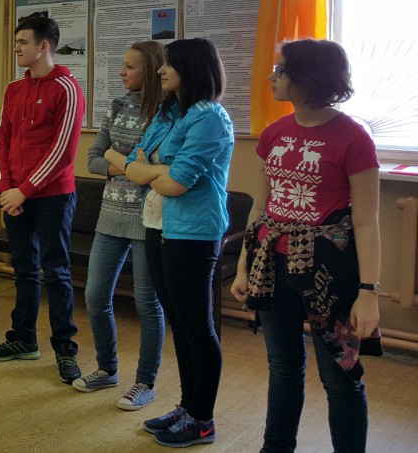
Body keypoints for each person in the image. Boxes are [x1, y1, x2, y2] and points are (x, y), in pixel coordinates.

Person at [231, 39, 382, 453]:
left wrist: (369, 293)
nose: (272, 76)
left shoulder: (353, 137)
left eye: (279, 70)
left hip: (330, 272)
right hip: (272, 266)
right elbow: (260, 207)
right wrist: (244, 266)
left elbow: (367, 222)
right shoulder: (274, 132)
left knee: (341, 377)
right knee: (282, 368)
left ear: (307, 77)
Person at [111, 38, 233, 448]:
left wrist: (144, 168)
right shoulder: (168, 111)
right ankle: (187, 407)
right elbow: (138, 166)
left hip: (193, 233)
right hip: (157, 224)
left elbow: (176, 183)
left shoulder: (210, 117)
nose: (161, 71)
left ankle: (203, 420)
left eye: (170, 65)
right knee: (179, 324)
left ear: (192, 69)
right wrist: (151, 168)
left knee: (197, 327)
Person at [0, 17, 85, 384]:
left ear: (44, 46)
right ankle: (24, 339)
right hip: (15, 195)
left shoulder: (67, 87)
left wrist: (24, 190)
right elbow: (3, 140)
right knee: (24, 269)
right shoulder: (14, 89)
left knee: (56, 271)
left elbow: (64, 151)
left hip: (52, 196)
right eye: (16, 41)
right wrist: (6, 188)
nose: (16, 48)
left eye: (23, 42)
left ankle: (64, 349)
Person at [75, 41, 166, 411]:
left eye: (129, 66)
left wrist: (123, 162)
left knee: (147, 304)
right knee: (95, 297)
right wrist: (133, 165)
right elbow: (93, 160)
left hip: (148, 219)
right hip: (111, 215)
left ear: (151, 69)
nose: (121, 72)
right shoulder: (116, 105)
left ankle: (145, 382)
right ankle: (107, 369)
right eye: (122, 65)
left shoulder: (168, 111)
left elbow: (162, 166)